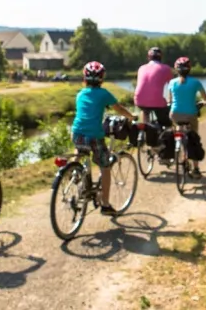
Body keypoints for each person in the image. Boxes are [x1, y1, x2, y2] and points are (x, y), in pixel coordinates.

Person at [72, 61, 135, 216]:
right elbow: (118, 108)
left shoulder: (80, 94)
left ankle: (73, 171)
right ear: (101, 79)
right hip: (94, 136)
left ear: (84, 79)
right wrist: (131, 116)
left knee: (80, 149)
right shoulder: (104, 94)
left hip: (76, 133)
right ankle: (106, 205)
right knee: (105, 167)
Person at [168, 57, 206, 179]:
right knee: (193, 139)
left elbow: (170, 100)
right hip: (191, 115)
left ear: (176, 69)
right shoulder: (195, 82)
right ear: (190, 69)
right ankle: (196, 169)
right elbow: (205, 97)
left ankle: (179, 149)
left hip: (174, 115)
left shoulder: (171, 83)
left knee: (178, 133)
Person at [134, 47, 174, 128]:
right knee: (166, 123)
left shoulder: (141, 68)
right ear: (161, 57)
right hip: (157, 101)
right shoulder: (166, 68)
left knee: (145, 111)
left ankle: (145, 128)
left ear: (148, 57)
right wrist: (171, 100)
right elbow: (172, 86)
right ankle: (164, 131)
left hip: (139, 100)